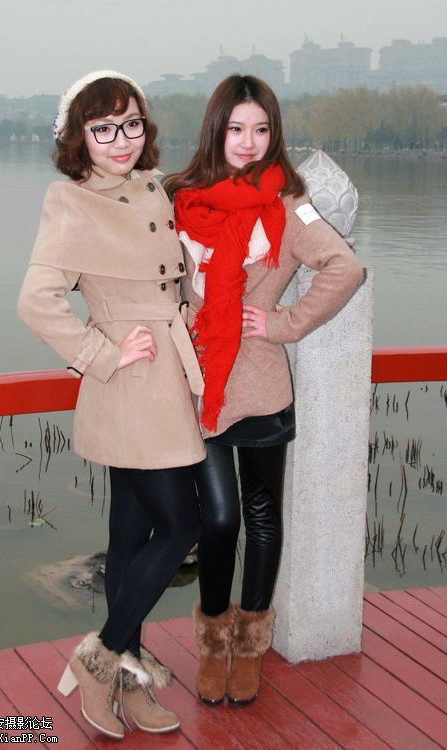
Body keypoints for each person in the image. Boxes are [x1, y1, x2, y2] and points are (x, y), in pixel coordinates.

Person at [163, 75, 364, 706]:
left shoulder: (288, 202)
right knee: (219, 518)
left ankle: (248, 646)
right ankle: (212, 638)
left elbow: (345, 267)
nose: (248, 142)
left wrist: (284, 323)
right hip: (201, 386)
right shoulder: (179, 198)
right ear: (216, 130)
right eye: (236, 128)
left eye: (261, 129)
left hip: (261, 386)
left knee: (261, 514)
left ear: (273, 133)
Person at [18, 71, 206, 739]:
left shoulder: (154, 186)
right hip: (130, 387)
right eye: (102, 128)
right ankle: (101, 657)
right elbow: (36, 302)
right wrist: (102, 353)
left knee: (128, 539)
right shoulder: (70, 201)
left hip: (167, 378)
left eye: (130, 123)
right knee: (184, 527)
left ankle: (123, 679)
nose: (120, 139)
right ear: (78, 137)